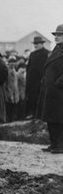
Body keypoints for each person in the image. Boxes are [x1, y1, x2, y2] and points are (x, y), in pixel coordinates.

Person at [38, 24, 63, 154]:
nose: (56, 37)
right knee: (51, 118)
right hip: (51, 90)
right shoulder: (56, 49)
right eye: (56, 35)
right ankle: (54, 143)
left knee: (59, 119)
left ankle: (60, 145)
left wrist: (58, 83)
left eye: (60, 35)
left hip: (59, 91)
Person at [26, 36, 49, 119]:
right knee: (33, 98)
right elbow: (29, 68)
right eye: (35, 44)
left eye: (37, 44)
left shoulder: (47, 53)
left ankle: (42, 115)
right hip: (33, 82)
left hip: (43, 80)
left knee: (42, 98)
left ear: (42, 44)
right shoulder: (32, 54)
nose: (35, 45)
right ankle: (34, 114)